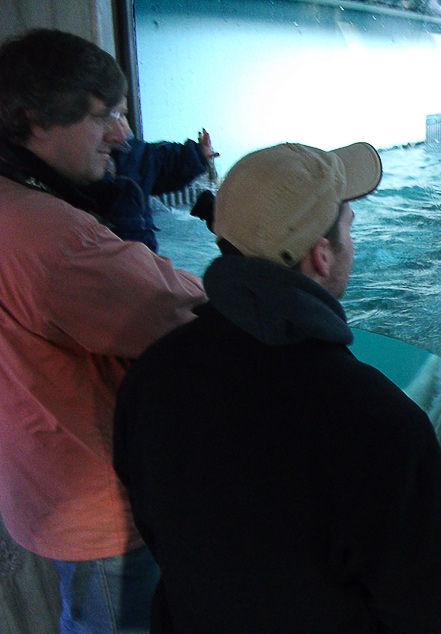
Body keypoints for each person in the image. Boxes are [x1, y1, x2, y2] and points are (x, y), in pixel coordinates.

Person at [113, 142, 441, 633]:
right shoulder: (379, 424)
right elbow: (431, 616)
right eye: (348, 228)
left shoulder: (152, 375)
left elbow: (158, 534)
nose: (352, 240)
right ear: (321, 258)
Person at [0, 28, 206, 633]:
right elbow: (182, 318)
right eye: (104, 116)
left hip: (39, 485)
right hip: (101, 511)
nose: (123, 134)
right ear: (36, 121)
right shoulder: (54, 237)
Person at [84, 109, 218, 252]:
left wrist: (197, 154)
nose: (118, 128)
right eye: (104, 116)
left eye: (121, 114)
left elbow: (164, 162)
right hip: (111, 256)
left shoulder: (135, 156)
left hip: (143, 253)